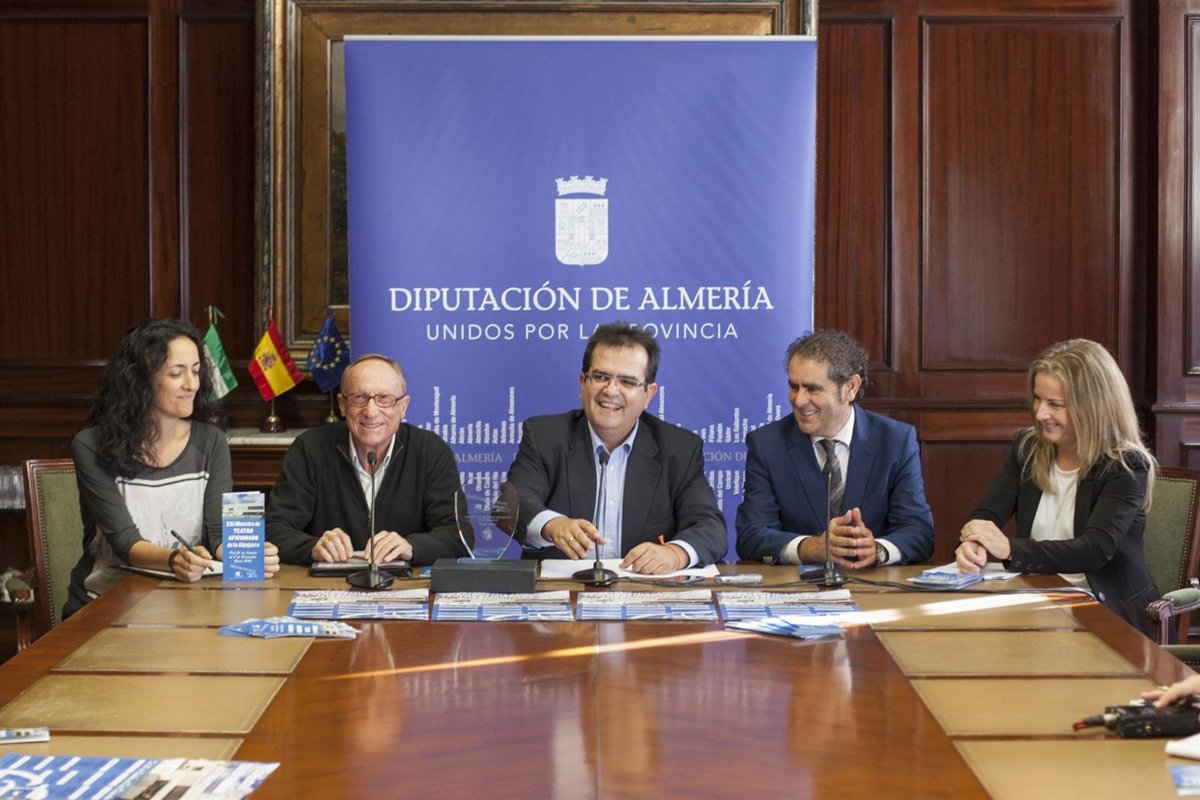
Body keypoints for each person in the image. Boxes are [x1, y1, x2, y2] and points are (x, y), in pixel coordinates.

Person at [65, 319, 280, 618]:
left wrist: (249, 554)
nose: (192, 384)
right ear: (141, 379)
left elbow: (218, 536)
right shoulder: (91, 445)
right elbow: (125, 542)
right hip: (105, 605)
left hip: (185, 605)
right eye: (177, 373)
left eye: (196, 371)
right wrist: (173, 559)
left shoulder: (212, 442)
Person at [956, 339, 1158, 635]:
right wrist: (974, 542)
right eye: (1038, 399)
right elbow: (987, 514)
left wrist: (1009, 548)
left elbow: (1094, 550)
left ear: (1092, 408)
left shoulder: (1126, 465)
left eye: (1055, 405)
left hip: (1107, 614)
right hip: (1038, 602)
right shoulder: (1027, 448)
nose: (1040, 413)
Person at [504, 322, 726, 574]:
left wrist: (675, 553)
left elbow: (710, 526)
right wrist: (552, 525)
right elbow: (512, 504)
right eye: (600, 377)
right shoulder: (544, 436)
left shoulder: (679, 449)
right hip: (562, 589)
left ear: (648, 395)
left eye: (628, 382)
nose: (610, 390)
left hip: (644, 591)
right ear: (582, 383)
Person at [736, 329, 934, 568]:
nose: (799, 400)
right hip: (799, 586)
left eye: (812, 389)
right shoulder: (767, 444)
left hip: (871, 584)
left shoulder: (895, 441)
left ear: (850, 387)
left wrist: (877, 550)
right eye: (794, 387)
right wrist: (809, 548)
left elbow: (919, 532)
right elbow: (751, 536)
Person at [267, 354, 466, 566]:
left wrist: (412, 547)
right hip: (329, 582)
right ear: (342, 405)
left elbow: (458, 535)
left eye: (384, 399)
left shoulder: (430, 451)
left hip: (404, 581)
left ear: (403, 406)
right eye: (359, 398)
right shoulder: (309, 449)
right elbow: (274, 527)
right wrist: (312, 548)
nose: (371, 412)